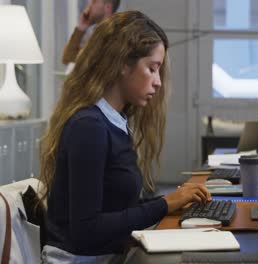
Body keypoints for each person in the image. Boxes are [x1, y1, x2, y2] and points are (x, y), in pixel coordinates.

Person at [39, 11, 212, 263]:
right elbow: (86, 229)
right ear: (121, 63)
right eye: (152, 69)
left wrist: (174, 200)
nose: (158, 83)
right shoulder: (89, 127)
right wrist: (165, 204)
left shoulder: (114, 121)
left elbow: (117, 206)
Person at [62, 0, 120, 65]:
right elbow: (68, 60)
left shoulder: (114, 37)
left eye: (94, 2)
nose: (89, 6)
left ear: (108, 7)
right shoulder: (96, 35)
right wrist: (81, 28)